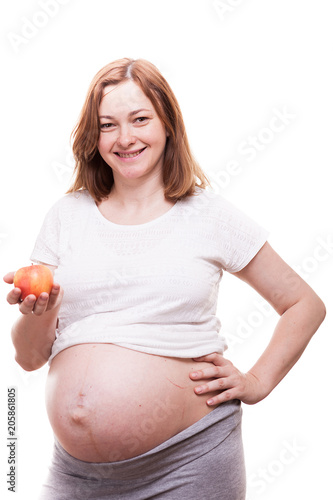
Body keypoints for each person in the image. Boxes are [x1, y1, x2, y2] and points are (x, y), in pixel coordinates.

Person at [4, 58, 326, 500]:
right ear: (92, 137)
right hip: (77, 476)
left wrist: (256, 381)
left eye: (140, 119)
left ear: (168, 124)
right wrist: (42, 312)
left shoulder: (209, 215)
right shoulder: (66, 215)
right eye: (107, 125)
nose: (125, 138)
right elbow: (28, 357)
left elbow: (303, 304)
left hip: (189, 462)